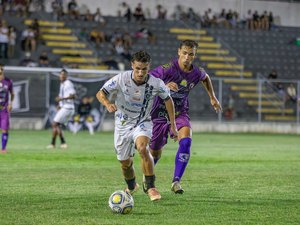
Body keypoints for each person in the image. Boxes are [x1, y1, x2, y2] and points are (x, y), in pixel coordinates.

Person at [96, 50, 178, 201]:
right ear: (132, 65)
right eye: (137, 69)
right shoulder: (121, 78)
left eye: (144, 69)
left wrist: (173, 125)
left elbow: (168, 100)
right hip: (122, 124)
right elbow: (101, 93)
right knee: (125, 164)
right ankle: (132, 185)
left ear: (149, 67)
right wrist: (107, 103)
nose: (140, 73)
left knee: (142, 148)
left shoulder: (156, 83)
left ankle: (151, 187)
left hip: (142, 122)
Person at [149, 40, 222, 194]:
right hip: (160, 113)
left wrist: (212, 97)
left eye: (191, 54)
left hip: (180, 112)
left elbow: (205, 77)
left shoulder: (196, 72)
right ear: (179, 52)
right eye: (184, 53)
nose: (187, 57)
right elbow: (147, 80)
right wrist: (164, 86)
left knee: (186, 141)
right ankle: (147, 175)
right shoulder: (167, 69)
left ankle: (176, 181)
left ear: (194, 56)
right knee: (155, 152)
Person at [47, 69, 76, 149]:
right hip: (65, 107)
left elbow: (73, 96)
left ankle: (62, 143)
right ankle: (54, 144)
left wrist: (61, 99)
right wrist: (60, 105)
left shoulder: (68, 83)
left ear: (66, 76)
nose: (62, 76)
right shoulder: (62, 84)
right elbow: (62, 96)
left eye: (63, 74)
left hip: (68, 108)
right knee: (57, 125)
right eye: (61, 74)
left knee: (54, 124)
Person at [0, 64, 14, 154]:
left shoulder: (8, 81)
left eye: (1, 68)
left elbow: (12, 93)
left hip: (4, 109)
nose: (0, 70)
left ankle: (3, 148)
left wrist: (10, 103)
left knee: (4, 129)